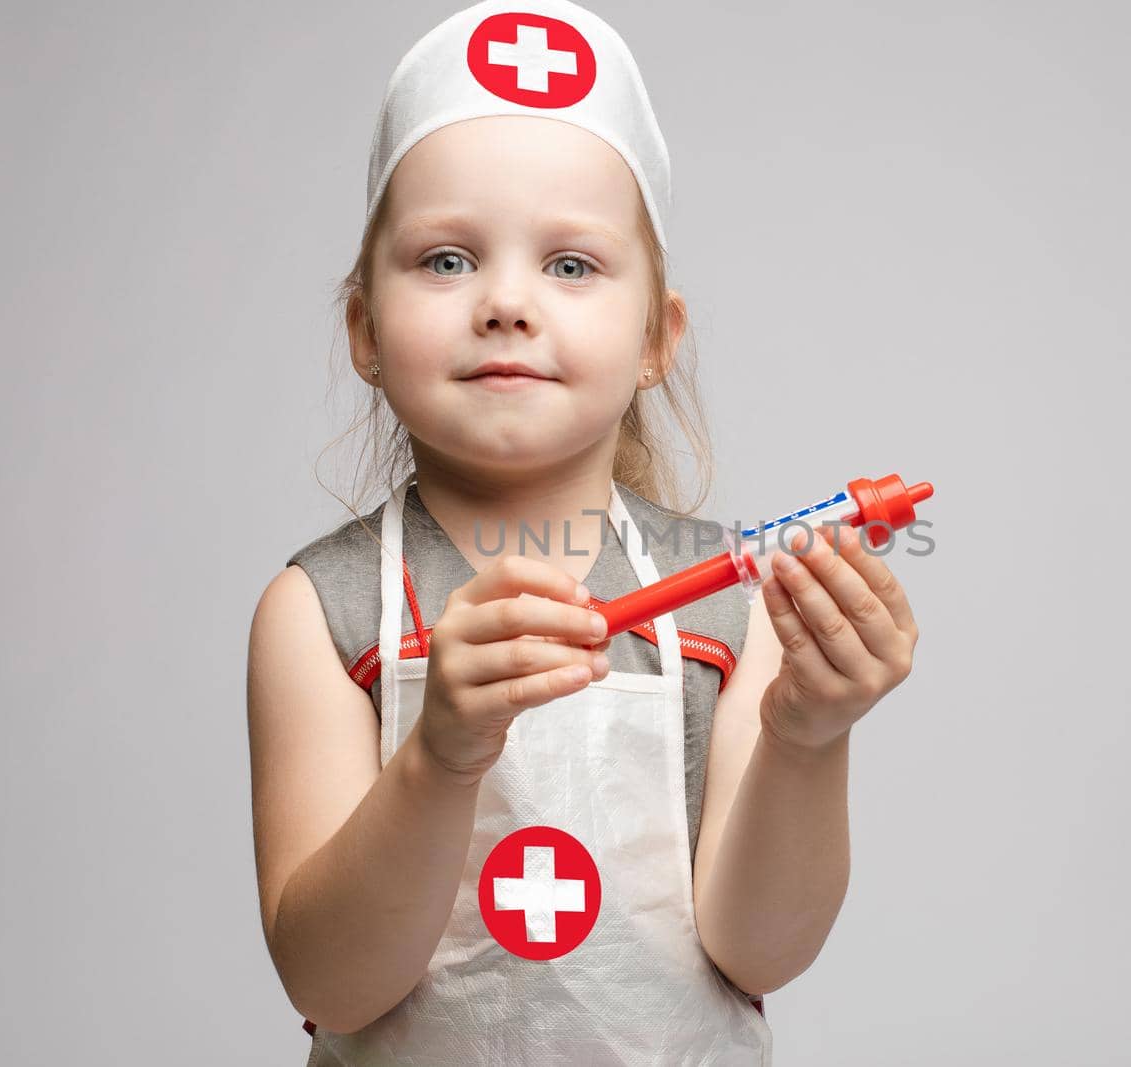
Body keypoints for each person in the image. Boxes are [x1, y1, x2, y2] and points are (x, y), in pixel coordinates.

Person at [245, 1, 921, 1062]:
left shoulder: (729, 597)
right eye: (446, 259)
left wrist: (807, 737)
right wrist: (439, 758)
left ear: (656, 336)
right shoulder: (319, 613)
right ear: (364, 332)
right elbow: (332, 981)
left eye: (571, 265)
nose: (507, 301)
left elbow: (758, 950)